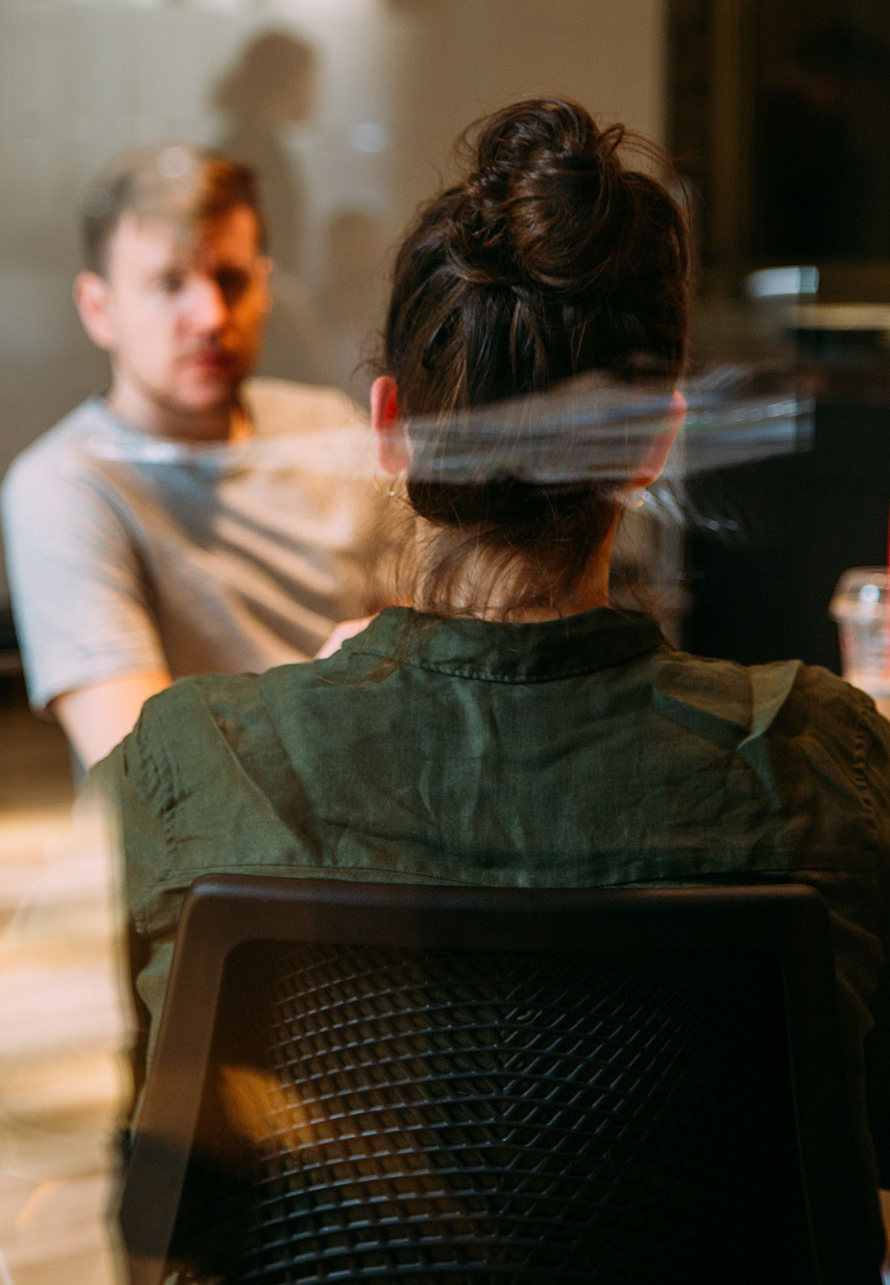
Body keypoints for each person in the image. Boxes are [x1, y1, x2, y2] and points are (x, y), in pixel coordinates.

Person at [84, 98, 890, 1262]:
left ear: (391, 428)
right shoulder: (818, 757)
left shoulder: (191, 765)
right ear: (655, 441)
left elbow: (163, 1195)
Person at [2, 143, 385, 770]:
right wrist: (332, 688)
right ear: (99, 309)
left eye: (230, 280)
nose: (209, 316)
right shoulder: (65, 485)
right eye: (169, 283)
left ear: (264, 289)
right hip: (210, 865)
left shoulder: (330, 427)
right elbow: (144, 769)